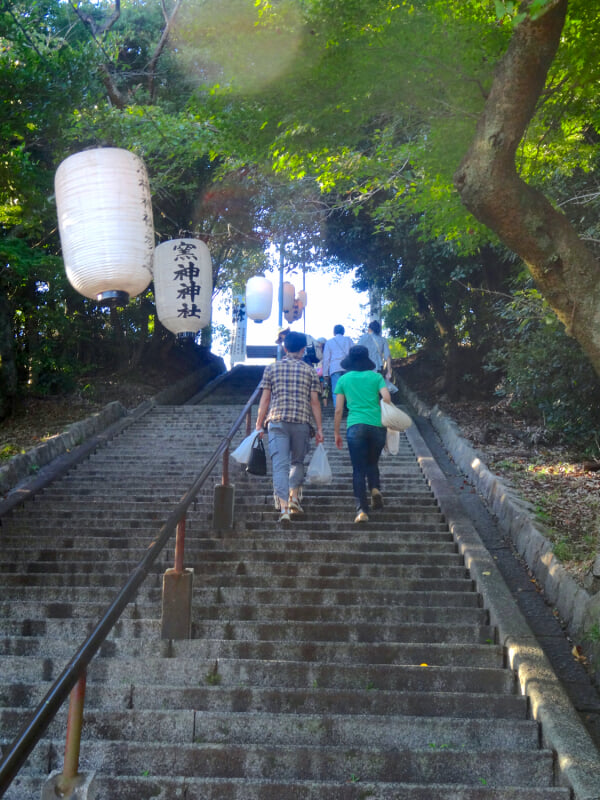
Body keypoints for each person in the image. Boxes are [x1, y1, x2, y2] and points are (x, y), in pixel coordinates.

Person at [255, 331, 325, 523]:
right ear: (303, 350)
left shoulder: (272, 368)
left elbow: (265, 398)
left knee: (279, 466)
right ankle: (294, 498)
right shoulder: (310, 371)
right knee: (297, 462)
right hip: (301, 422)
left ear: (284, 348)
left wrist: (259, 424)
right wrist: (319, 429)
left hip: (277, 421)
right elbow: (315, 402)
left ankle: (284, 508)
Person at [334, 345, 392, 523]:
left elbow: (338, 410)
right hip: (376, 426)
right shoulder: (376, 377)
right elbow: (387, 398)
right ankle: (374, 488)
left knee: (358, 469)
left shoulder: (344, 379)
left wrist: (336, 432)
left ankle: (361, 511)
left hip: (355, 426)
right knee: (372, 462)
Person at [322, 324, 354, 407]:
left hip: (335, 368)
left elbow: (326, 359)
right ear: (343, 331)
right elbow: (353, 353)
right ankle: (350, 408)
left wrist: (325, 374)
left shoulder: (329, 342)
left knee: (337, 390)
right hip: (347, 367)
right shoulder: (349, 340)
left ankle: (338, 410)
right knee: (348, 390)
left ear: (334, 332)